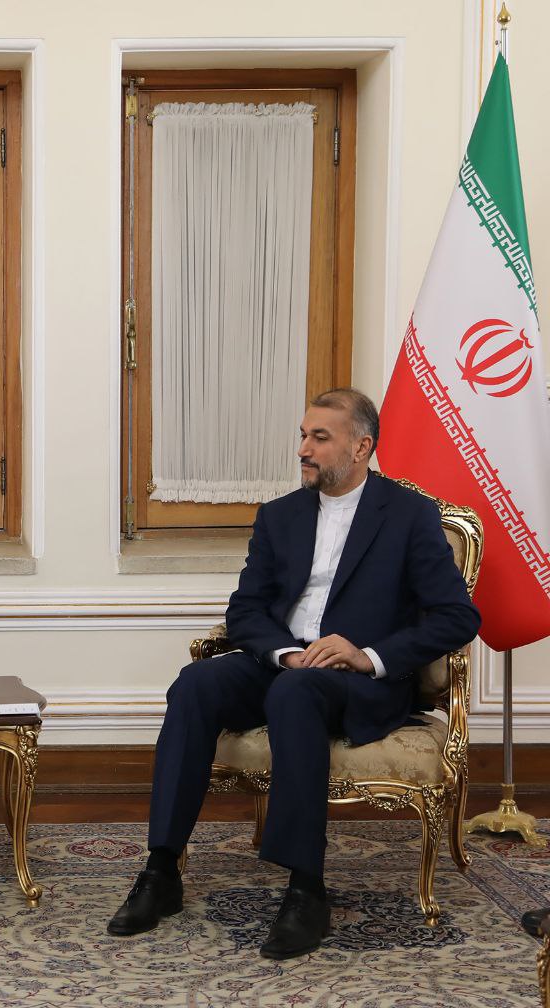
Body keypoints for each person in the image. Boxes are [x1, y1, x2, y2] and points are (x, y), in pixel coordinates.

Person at [106, 388, 481, 959]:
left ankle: (306, 889)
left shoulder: (408, 515)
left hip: (357, 680)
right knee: (197, 684)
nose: (304, 448)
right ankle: (161, 871)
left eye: (319, 438)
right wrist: (283, 653)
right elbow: (245, 610)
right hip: (289, 664)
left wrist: (367, 654)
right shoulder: (280, 515)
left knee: (296, 693)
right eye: (303, 435)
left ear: (361, 447)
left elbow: (457, 617)